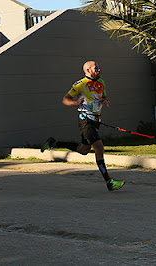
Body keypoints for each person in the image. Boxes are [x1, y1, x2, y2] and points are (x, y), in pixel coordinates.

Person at [41, 61, 125, 191]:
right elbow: (65, 99)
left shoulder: (101, 82)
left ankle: (53, 143)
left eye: (98, 68)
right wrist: (75, 103)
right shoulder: (80, 84)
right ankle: (109, 182)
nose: (99, 70)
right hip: (85, 120)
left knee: (84, 149)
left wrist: (105, 101)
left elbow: (104, 96)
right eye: (95, 68)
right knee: (99, 147)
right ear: (87, 70)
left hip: (96, 120)